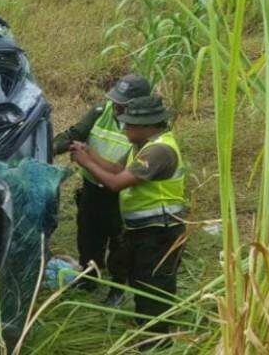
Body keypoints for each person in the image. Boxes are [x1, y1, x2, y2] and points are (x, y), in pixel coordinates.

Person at [70, 95, 187, 339]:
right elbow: (115, 168)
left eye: (130, 124)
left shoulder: (158, 151)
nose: (124, 128)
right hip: (144, 229)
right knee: (140, 280)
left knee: (154, 285)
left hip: (161, 230)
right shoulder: (141, 146)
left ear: (148, 125)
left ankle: (156, 339)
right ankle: (146, 328)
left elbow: (115, 183)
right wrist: (89, 153)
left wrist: (84, 162)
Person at [53, 74, 152, 304]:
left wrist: (87, 160)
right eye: (116, 101)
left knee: (120, 240)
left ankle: (118, 286)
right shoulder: (101, 112)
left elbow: (121, 171)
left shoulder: (143, 127)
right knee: (88, 235)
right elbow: (74, 134)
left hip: (121, 193)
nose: (116, 107)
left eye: (123, 104)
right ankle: (90, 277)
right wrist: (51, 148)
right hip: (92, 188)